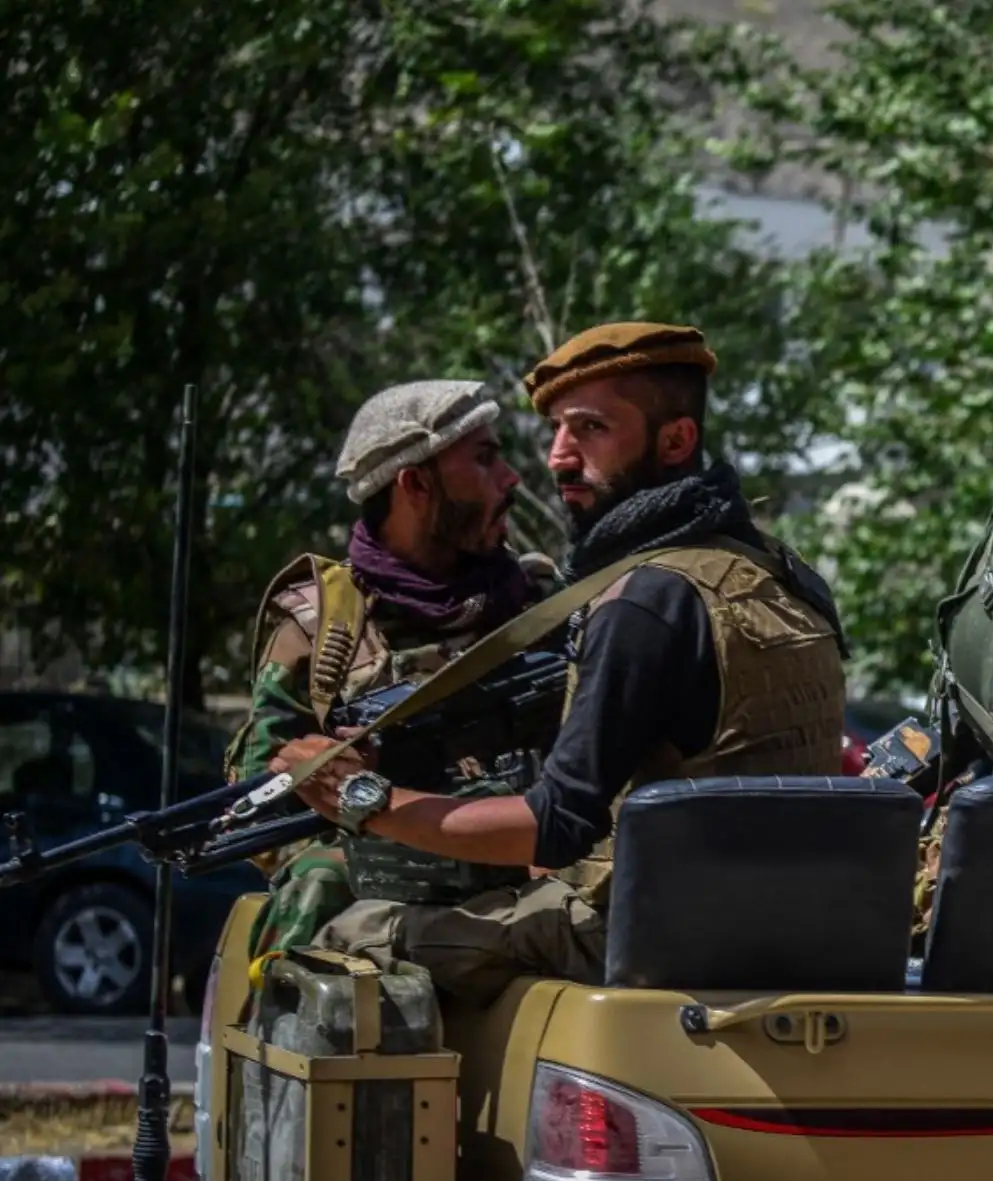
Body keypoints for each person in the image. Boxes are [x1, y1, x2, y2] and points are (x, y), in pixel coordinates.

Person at [271, 321, 850, 1004]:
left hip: (646, 935)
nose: (557, 457)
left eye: (591, 428)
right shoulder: (781, 571)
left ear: (675, 440)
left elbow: (558, 821)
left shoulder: (644, 603)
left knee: (348, 934)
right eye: (556, 430)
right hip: (795, 931)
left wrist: (367, 800)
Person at [223, 379, 558, 963]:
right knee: (318, 885)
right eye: (483, 459)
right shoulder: (320, 627)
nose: (511, 478)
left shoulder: (539, 604)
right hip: (385, 887)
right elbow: (265, 809)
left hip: (530, 863)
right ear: (415, 484)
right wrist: (349, 793)